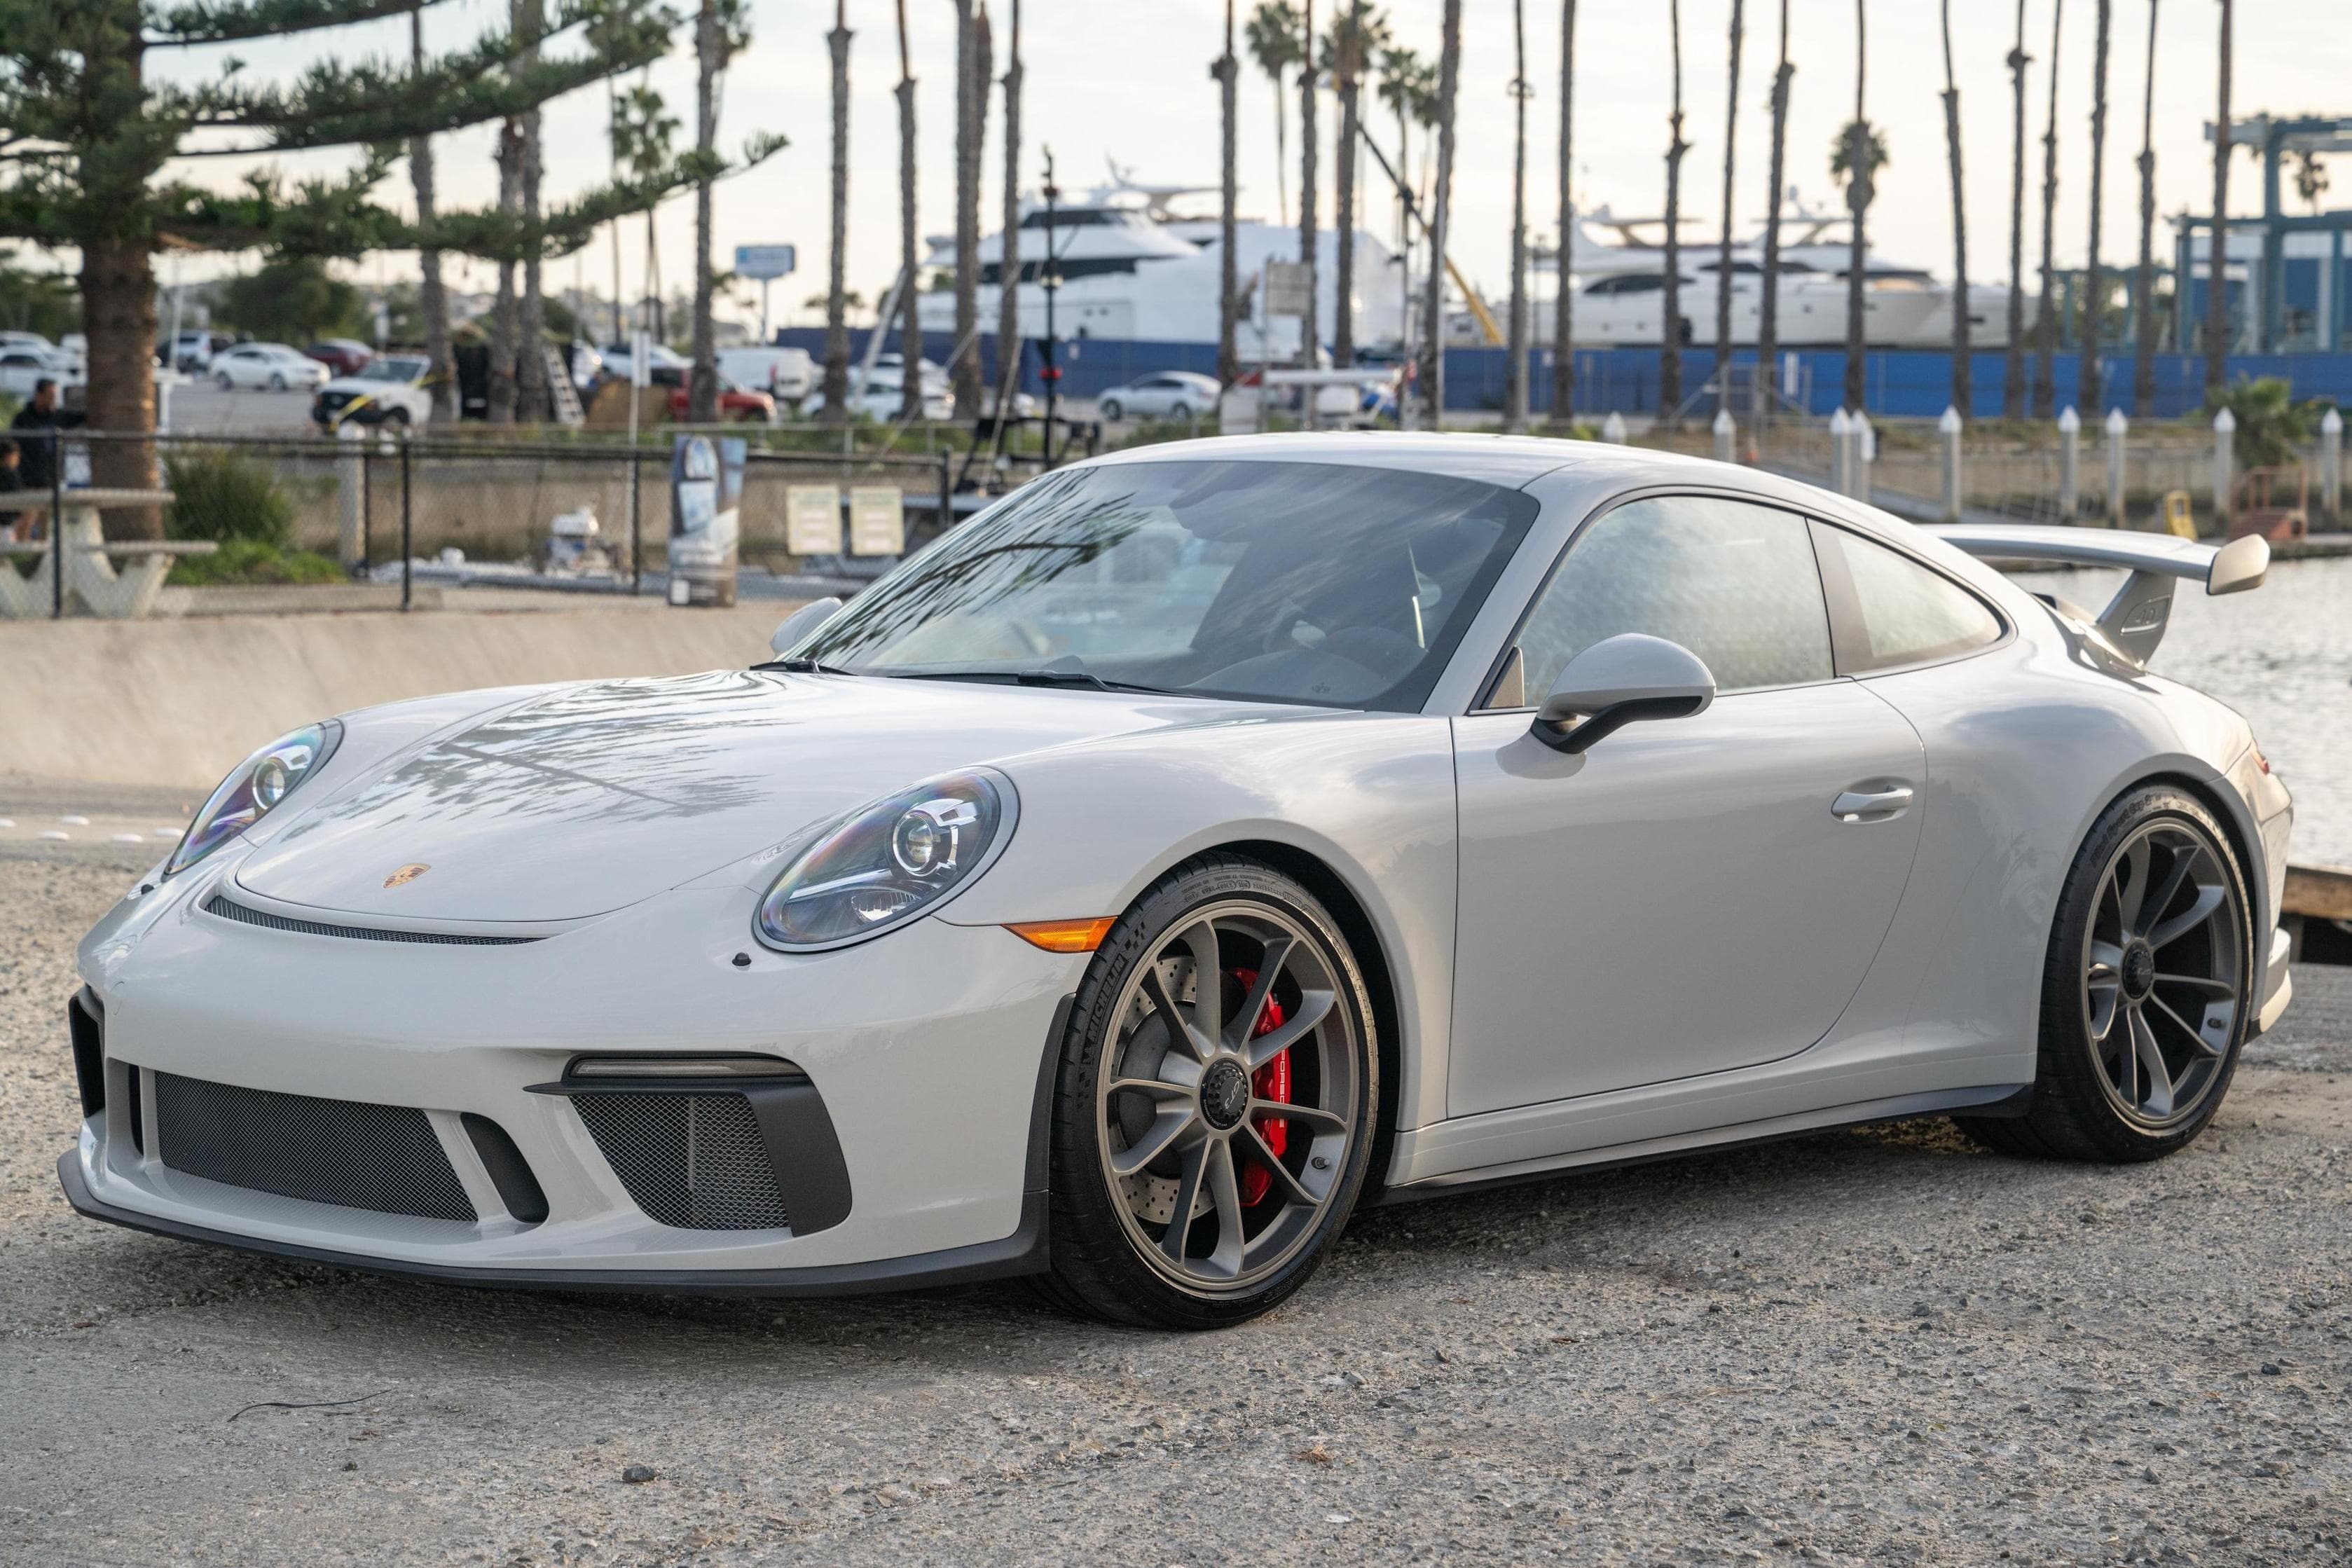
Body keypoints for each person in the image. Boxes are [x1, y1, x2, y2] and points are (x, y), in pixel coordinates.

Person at [9, 378, 84, 542]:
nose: (53, 399)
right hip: (28, 481)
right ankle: (22, 552)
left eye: (55, 395)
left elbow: (82, 417)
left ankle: (44, 558)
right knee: (27, 519)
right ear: (39, 395)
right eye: (50, 395)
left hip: (51, 480)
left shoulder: (58, 417)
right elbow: (12, 446)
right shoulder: (24, 419)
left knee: (48, 525)